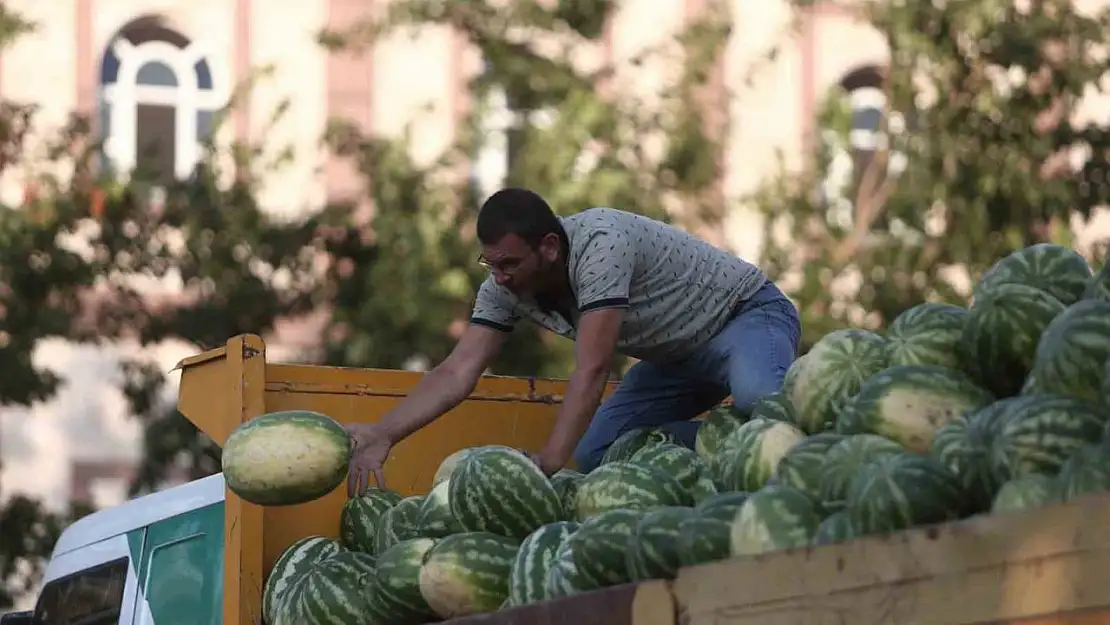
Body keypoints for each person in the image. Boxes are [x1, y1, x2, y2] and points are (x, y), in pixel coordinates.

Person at [346, 187, 800, 495]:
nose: (499, 278)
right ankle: (726, 450)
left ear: (548, 247)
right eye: (491, 265)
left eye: (509, 264)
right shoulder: (504, 287)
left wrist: (547, 462)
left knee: (762, 399)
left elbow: (593, 368)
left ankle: (820, 448)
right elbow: (458, 369)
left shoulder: (602, 243)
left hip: (745, 316)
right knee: (598, 455)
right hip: (677, 359)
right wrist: (383, 433)